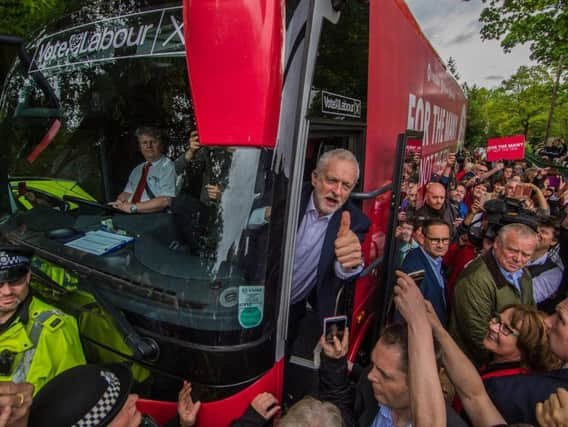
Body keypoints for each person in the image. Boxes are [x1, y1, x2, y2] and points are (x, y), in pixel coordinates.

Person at [289, 149, 370, 338]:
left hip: (293, 310)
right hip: (253, 300)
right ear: (315, 178)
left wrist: (350, 262)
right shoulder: (288, 194)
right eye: (332, 180)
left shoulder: (355, 221)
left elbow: (344, 269)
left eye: (346, 186)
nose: (337, 191)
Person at [0, 246, 85, 395]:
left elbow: (74, 395)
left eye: (15, 281)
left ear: (27, 277)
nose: (7, 292)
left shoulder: (57, 328)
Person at [449, 223, 537, 366]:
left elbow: (530, 315)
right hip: (476, 366)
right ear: (496, 244)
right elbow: (478, 337)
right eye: (512, 250)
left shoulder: (523, 272)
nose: (518, 259)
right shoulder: (475, 280)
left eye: (526, 255)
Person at [398, 218, 451, 327]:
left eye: (445, 240)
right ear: (422, 238)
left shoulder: (437, 259)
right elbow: (407, 312)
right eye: (435, 240)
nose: (441, 245)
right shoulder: (414, 268)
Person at [110, 126, 176, 214]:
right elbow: (126, 193)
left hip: (153, 219)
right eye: (144, 143)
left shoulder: (167, 166)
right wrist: (119, 202)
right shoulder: (137, 170)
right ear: (140, 147)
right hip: (133, 218)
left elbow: (166, 200)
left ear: (161, 144)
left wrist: (133, 207)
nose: (149, 146)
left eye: (153, 142)